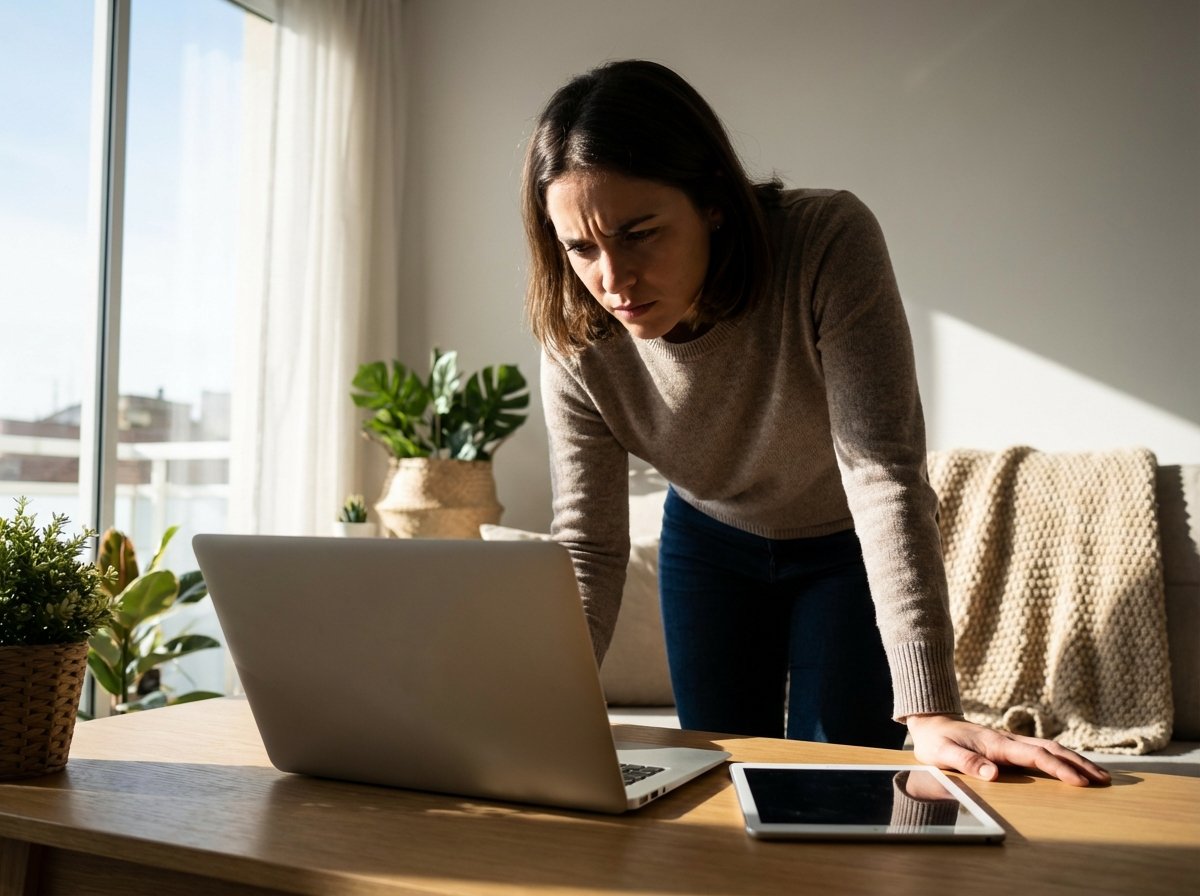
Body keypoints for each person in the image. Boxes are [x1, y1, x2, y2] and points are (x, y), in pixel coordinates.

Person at [521, 59, 1108, 787]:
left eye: (639, 234)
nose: (612, 279)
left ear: (712, 202)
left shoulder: (826, 242)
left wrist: (929, 710)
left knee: (837, 783)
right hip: (707, 541)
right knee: (717, 781)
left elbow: (882, 473)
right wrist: (531, 716)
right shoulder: (578, 333)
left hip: (843, 546)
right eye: (581, 248)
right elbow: (589, 549)